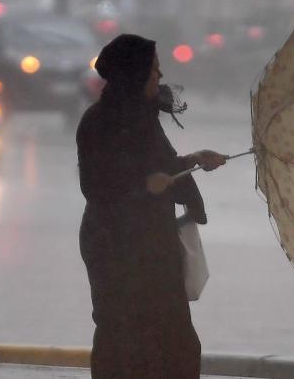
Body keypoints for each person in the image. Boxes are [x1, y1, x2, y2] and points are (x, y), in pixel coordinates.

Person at [76, 34, 226, 378]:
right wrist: (144, 187)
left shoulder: (145, 120)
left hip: (154, 246)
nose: (159, 76)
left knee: (176, 344)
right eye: (153, 69)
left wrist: (194, 160)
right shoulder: (98, 123)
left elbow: (162, 166)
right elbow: (97, 188)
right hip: (115, 249)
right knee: (123, 341)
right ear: (133, 73)